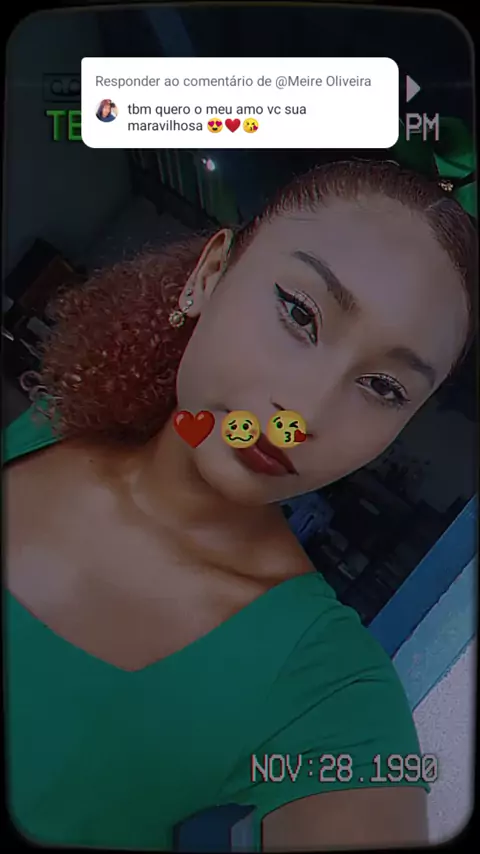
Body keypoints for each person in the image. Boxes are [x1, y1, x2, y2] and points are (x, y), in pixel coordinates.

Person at [4, 159, 475, 851]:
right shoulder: (52, 425)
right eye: (300, 313)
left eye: (383, 388)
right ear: (210, 273)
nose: (303, 412)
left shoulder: (327, 685)